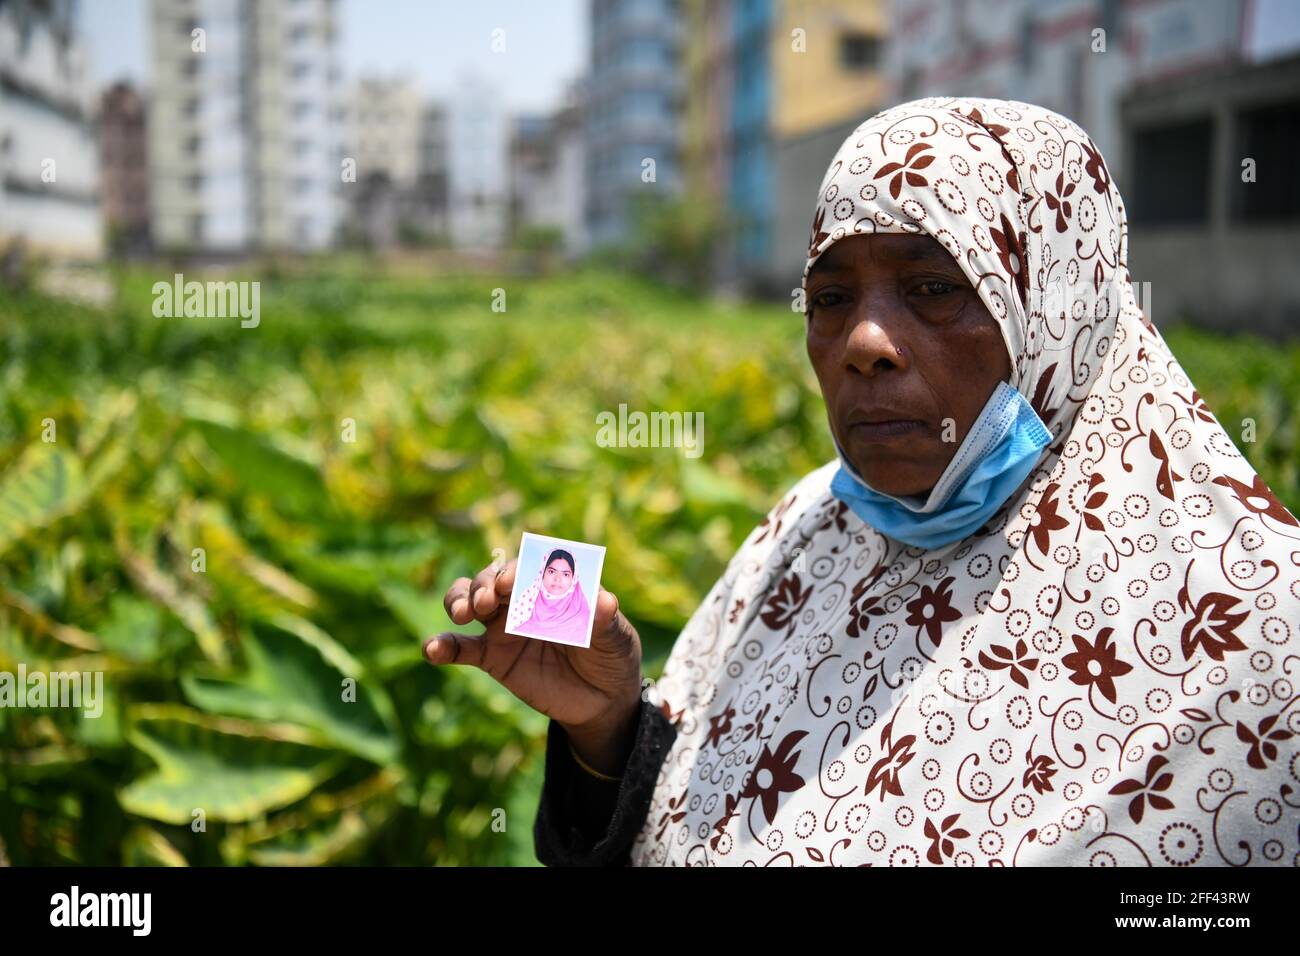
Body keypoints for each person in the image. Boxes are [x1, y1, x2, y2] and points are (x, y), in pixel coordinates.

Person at [424, 96, 1300, 867]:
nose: (863, 344)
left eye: (931, 286)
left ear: (1058, 303)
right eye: (832, 298)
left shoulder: (1252, 631)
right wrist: (607, 732)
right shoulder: (811, 525)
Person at [505, 549, 593, 646]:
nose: (557, 578)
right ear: (542, 573)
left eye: (565, 574)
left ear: (574, 578)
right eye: (551, 571)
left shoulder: (583, 619)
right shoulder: (524, 606)